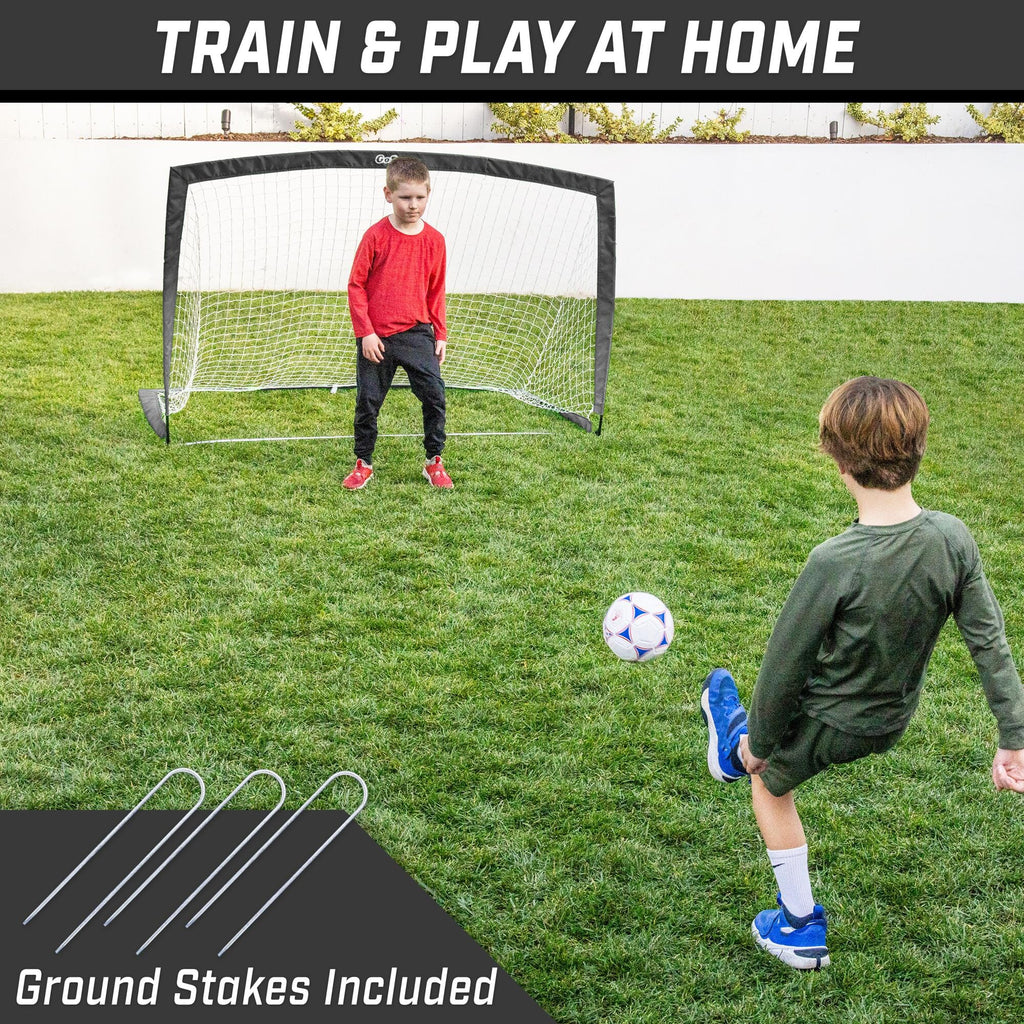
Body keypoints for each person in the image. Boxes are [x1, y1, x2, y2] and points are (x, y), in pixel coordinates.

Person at [700, 375, 1024, 970]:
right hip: (890, 720)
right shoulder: (953, 538)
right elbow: (990, 643)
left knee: (768, 785)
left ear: (837, 459)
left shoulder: (834, 562)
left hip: (831, 720)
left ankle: (797, 925)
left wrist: (761, 746)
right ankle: (738, 738)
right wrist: (1015, 738)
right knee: (765, 739)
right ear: (919, 448)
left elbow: (783, 667)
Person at [343, 155, 452, 489]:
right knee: (368, 402)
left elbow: (436, 290)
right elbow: (356, 285)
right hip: (378, 338)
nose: (413, 204)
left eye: (420, 197)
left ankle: (434, 461)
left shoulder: (435, 241)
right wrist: (366, 333)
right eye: (405, 197)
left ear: (428, 194)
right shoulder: (376, 236)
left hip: (418, 333)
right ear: (388, 194)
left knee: (435, 395)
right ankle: (364, 462)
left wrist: (441, 332)